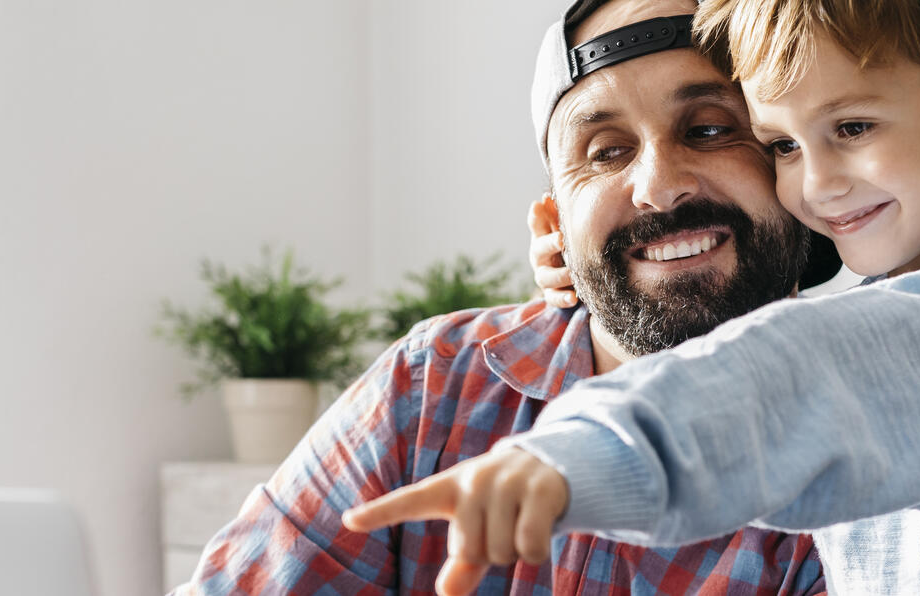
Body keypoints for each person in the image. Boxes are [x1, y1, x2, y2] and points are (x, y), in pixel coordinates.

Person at [343, 0, 920, 594]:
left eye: (852, 128)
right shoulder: (431, 380)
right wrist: (599, 267)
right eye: (780, 145)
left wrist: (576, 454)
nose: (818, 185)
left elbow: (807, 377)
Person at [179, 0, 844, 593]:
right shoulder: (432, 387)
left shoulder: (859, 445)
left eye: (708, 129)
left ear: (795, 168)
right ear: (553, 222)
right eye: (606, 151)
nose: (658, 186)